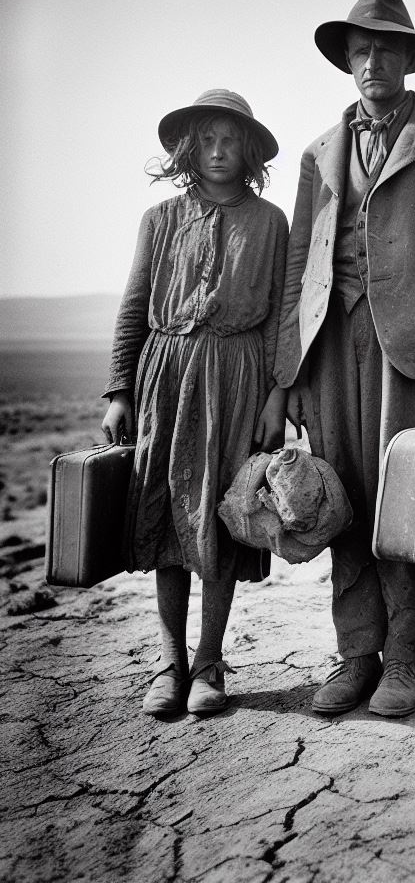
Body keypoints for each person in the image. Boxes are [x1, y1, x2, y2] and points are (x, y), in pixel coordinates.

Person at [275, 0, 415, 718]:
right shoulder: (316, 154)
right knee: (346, 499)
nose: (373, 61)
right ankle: (355, 656)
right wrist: (290, 373)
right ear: (347, 61)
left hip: (414, 350)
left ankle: (406, 660)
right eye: (361, 50)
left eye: (387, 49)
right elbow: (301, 260)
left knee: (411, 503)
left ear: (406, 59)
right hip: (333, 346)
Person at [102, 89, 288, 717]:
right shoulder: (159, 219)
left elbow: (280, 319)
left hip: (237, 379)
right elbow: (133, 307)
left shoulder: (270, 223)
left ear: (248, 151)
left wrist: (276, 395)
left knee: (217, 517)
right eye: (206, 139)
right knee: (167, 515)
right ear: (188, 147)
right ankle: (168, 662)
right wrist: (119, 391)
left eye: (229, 140)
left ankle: (210, 663)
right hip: (167, 377)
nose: (217, 151)